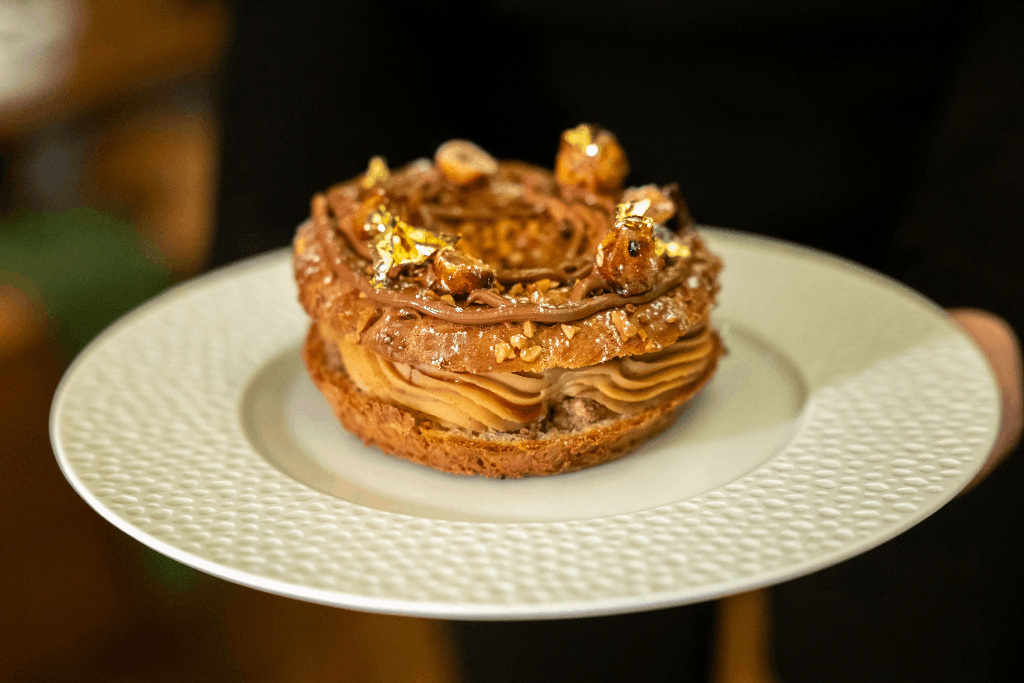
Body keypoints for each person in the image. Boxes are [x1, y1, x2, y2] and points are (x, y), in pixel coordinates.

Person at [213, 1, 1023, 679]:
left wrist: (993, 267)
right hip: (490, 152)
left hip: (918, 228)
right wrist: (287, 220)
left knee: (901, 636)